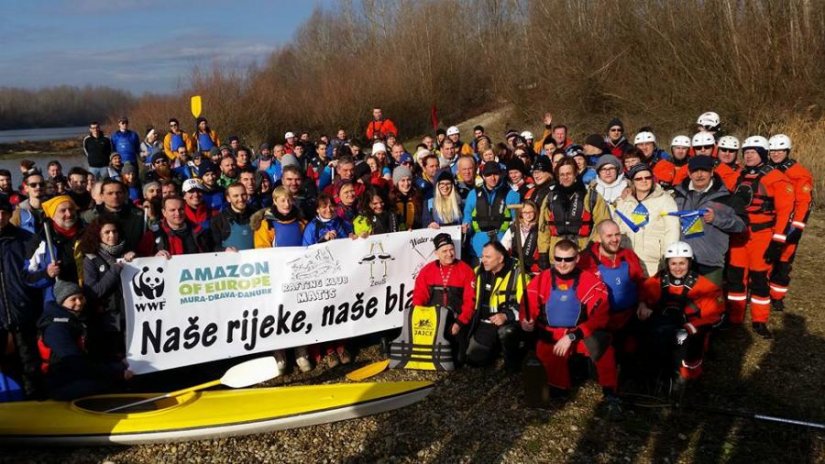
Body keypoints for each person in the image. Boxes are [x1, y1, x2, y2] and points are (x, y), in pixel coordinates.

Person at [520, 239, 620, 416]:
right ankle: (560, 384)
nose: (563, 264)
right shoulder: (542, 279)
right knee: (554, 390)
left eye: (568, 259)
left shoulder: (590, 281)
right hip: (551, 336)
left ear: (577, 258)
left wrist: (574, 336)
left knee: (604, 346)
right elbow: (528, 302)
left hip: (579, 335)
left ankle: (610, 395)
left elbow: (600, 315)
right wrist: (526, 321)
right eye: (558, 259)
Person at [726, 136, 794, 338]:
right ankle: (735, 317)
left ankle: (759, 320)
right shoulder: (737, 176)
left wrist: (778, 241)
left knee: (759, 279)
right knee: (736, 278)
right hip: (739, 235)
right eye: (745, 152)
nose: (748, 155)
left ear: (762, 154)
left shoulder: (776, 178)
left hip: (762, 235)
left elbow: (785, 212)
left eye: (753, 152)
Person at [637, 241, 723, 396]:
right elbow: (643, 293)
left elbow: (715, 315)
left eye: (682, 263)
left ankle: (685, 378)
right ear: (667, 264)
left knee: (683, 343)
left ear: (689, 263)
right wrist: (643, 305)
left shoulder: (704, 285)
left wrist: (690, 327)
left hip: (690, 328)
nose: (678, 268)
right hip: (663, 326)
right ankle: (654, 375)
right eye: (673, 263)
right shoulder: (658, 280)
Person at [37, 280, 132, 400]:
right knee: (109, 385)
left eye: (81, 298)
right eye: (73, 299)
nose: (79, 303)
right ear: (61, 302)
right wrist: (116, 371)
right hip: (60, 383)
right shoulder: (56, 329)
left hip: (75, 375)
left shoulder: (77, 321)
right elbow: (77, 364)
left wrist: (119, 362)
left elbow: (93, 354)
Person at [251, 187, 309, 372]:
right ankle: (280, 353)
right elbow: (261, 250)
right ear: (275, 201)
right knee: (278, 315)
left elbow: (307, 244)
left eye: (289, 200)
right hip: (277, 277)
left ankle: (301, 351)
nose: (286, 204)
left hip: (298, 275)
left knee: (299, 312)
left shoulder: (300, 222)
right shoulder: (266, 224)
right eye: (282, 200)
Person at [672, 156, 746, 285]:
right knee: (683, 303)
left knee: (709, 303)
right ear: (689, 173)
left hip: (710, 263)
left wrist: (717, 219)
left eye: (704, 170)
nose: (699, 175)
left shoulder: (727, 198)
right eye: (695, 171)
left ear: (712, 172)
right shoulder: (676, 194)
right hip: (681, 262)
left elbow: (741, 225)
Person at [0, 196, 42, 398]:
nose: (0, 217)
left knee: (30, 366)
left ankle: (35, 406)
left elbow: (35, 275)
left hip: (22, 312)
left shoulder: (27, 239)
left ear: (9, 214)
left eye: (3, 213)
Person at [765, 134, 813, 311]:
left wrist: (797, 227)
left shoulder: (799, 173)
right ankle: (761, 290)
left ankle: (777, 296)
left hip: (789, 222)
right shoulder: (766, 169)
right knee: (766, 256)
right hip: (770, 222)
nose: (776, 154)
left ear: (787, 151)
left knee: (784, 259)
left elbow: (803, 202)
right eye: (773, 150)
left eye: (780, 150)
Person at [412, 233, 476, 364]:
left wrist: (460, 322)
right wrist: (420, 317)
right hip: (433, 320)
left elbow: (470, 301)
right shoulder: (427, 270)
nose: (449, 254)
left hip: (456, 321)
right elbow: (419, 296)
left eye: (451, 249)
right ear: (437, 253)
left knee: (458, 361)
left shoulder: (466, 270)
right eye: (444, 251)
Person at [78, 217, 136, 360]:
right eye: (107, 232)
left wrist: (138, 260)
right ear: (98, 235)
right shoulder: (90, 259)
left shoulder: (129, 252)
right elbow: (94, 291)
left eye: (115, 231)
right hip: (109, 320)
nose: (112, 236)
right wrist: (115, 269)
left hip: (132, 314)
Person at [537, 158, 610, 269]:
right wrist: (543, 252)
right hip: (557, 256)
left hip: (583, 253)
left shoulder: (590, 197)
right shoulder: (550, 198)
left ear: (576, 173)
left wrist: (592, 246)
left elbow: (603, 224)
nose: (565, 177)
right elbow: (544, 228)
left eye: (568, 174)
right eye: (562, 174)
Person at [578, 220, 646, 336]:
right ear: (599, 237)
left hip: (629, 318)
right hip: (601, 323)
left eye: (617, 234)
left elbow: (640, 282)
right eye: (609, 236)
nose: (615, 240)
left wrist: (643, 303)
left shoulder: (628, 255)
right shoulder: (586, 261)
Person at [468, 241, 526, 370]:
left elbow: (527, 305)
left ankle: (513, 363)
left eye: (488, 257)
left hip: (507, 322)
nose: (483, 260)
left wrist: (506, 315)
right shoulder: (478, 272)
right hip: (484, 322)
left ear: (500, 258)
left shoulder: (519, 274)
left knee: (507, 333)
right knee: (473, 359)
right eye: (482, 256)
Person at [615, 163, 680, 277]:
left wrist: (668, 257)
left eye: (647, 177)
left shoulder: (665, 199)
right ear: (632, 182)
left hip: (653, 262)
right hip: (627, 260)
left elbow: (672, 230)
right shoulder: (625, 201)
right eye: (639, 178)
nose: (644, 181)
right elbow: (617, 226)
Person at [24, 196, 85, 307]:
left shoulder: (88, 233)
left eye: (71, 209)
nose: (69, 214)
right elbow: (27, 277)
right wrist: (47, 274)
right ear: (52, 214)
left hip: (87, 298)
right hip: (56, 302)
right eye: (63, 210)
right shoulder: (41, 240)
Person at [463, 162, 520, 263]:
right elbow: (467, 214)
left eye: (495, 174)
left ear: (500, 174)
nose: (492, 178)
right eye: (488, 175)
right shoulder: (474, 193)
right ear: (483, 176)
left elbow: (517, 220)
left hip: (501, 242)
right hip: (478, 245)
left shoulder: (511, 194)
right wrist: (466, 225)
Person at [81, 178, 145, 252]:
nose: (115, 196)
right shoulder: (91, 217)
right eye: (110, 193)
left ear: (125, 194)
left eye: (119, 192)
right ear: (102, 196)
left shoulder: (138, 216)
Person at [137, 196, 213, 257]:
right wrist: (154, 258)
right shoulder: (154, 234)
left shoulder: (199, 231)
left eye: (181, 209)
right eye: (172, 210)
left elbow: (213, 254)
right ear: (164, 212)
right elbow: (140, 258)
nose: (178, 213)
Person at [211, 183, 256, 252]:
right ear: (228, 198)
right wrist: (224, 250)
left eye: (243, 194)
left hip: (256, 260)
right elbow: (213, 246)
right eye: (236, 196)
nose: (240, 199)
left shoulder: (256, 215)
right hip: (231, 261)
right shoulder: (219, 220)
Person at [501, 200, 540, 275]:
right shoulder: (514, 228)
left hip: (534, 270)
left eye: (531, 212)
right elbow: (503, 247)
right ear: (521, 213)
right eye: (525, 212)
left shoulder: (539, 229)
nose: (528, 215)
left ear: (535, 212)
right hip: (517, 270)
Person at [391, 165, 423, 230]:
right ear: (397, 183)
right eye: (403, 180)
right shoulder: (391, 199)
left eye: (408, 180)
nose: (406, 183)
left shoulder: (417, 196)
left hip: (416, 235)